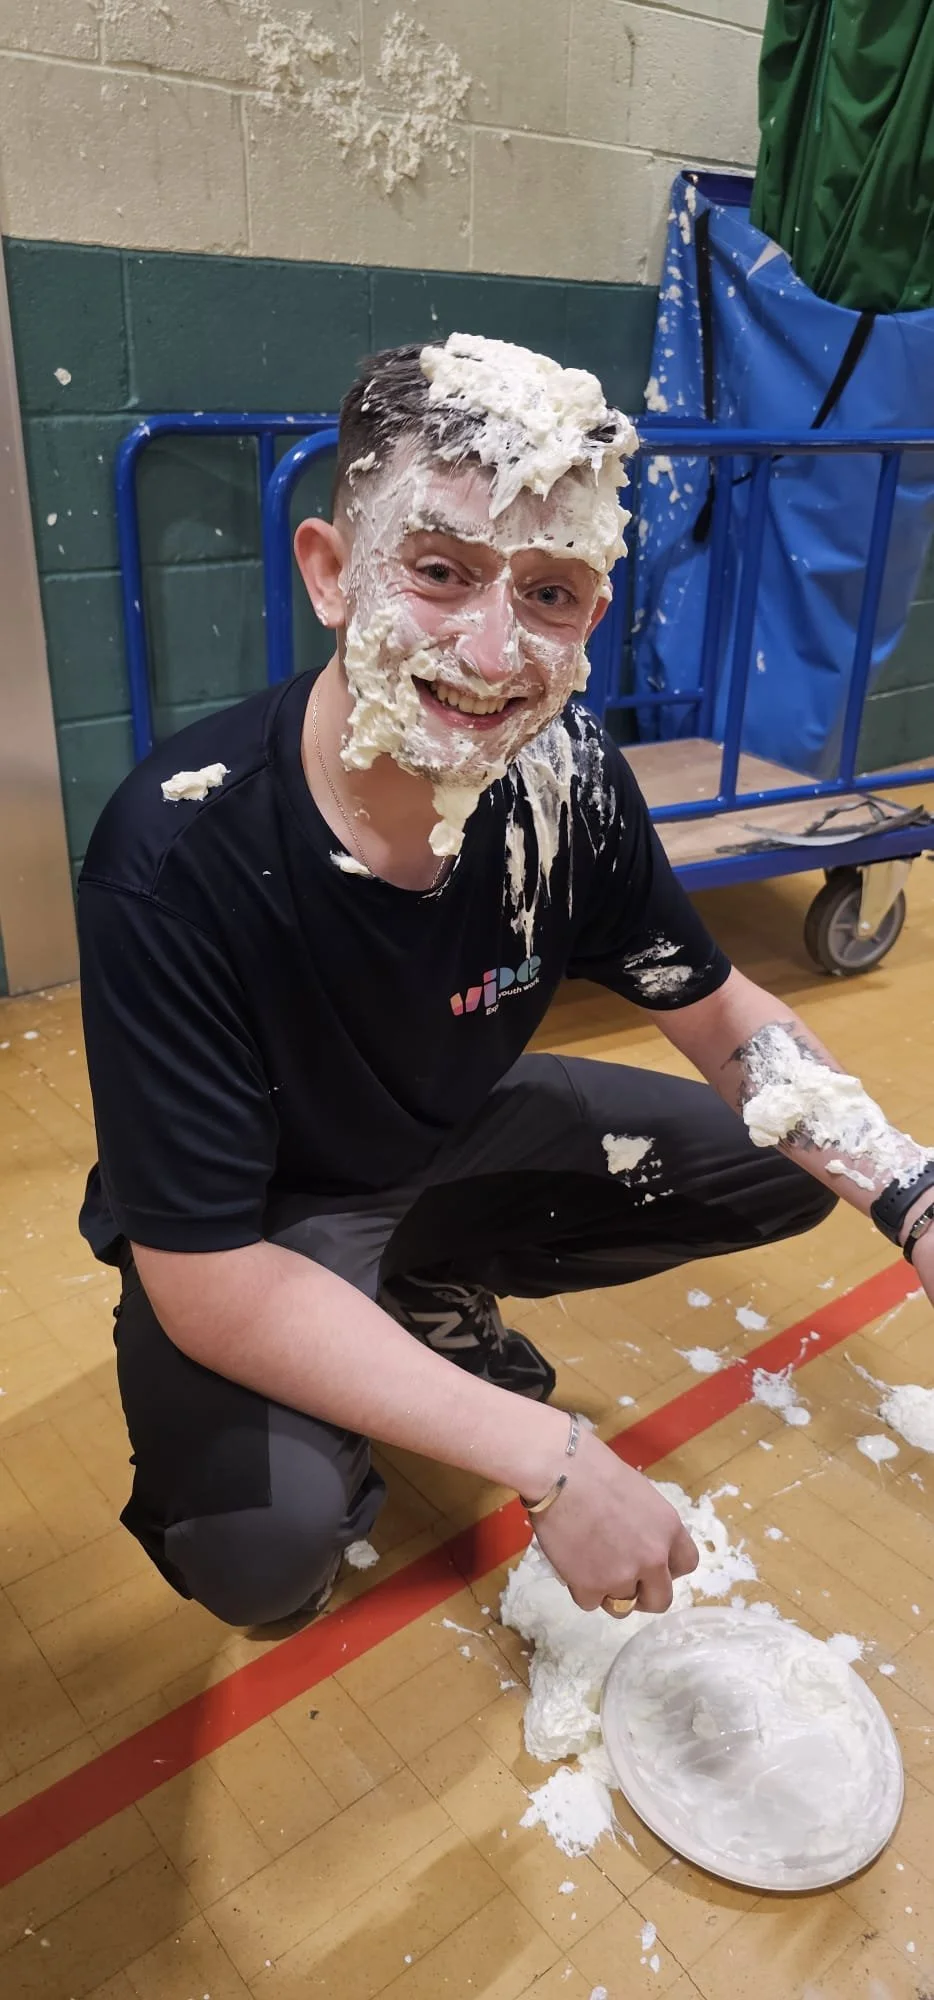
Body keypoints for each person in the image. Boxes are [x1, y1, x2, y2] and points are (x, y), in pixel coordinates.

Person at [78, 336, 934, 1634]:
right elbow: (207, 1280)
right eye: (438, 572)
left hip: (441, 1139)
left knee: (776, 1163)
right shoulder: (175, 854)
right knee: (265, 1551)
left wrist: (910, 1193)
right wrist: (553, 1457)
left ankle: (418, 1284)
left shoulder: (567, 783)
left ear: (593, 613)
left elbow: (723, 1017)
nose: (492, 651)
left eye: (548, 592)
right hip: (257, 1223)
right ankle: (357, 1354)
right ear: (331, 572)